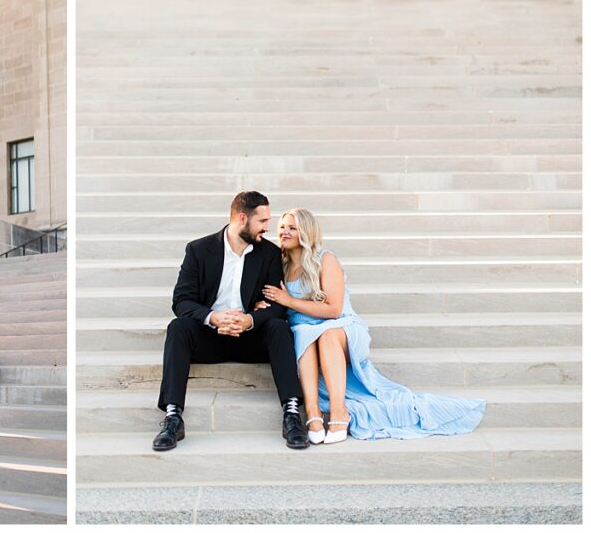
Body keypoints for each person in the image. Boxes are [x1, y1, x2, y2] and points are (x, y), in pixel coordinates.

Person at [259, 208, 486, 443]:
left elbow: (333, 310)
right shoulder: (280, 264)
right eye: (282, 227)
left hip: (340, 328)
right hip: (306, 332)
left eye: (292, 228)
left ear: (306, 232)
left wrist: (290, 301)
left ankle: (339, 412)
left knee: (326, 334)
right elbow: (271, 299)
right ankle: (313, 414)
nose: (284, 232)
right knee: (303, 335)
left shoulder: (325, 259)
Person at [153, 191, 309, 451]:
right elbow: (181, 301)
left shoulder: (269, 253)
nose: (267, 228)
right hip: (210, 336)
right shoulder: (199, 250)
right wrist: (213, 317)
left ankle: (292, 414)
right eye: (262, 221)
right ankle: (172, 417)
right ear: (241, 218)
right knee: (178, 327)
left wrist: (250, 319)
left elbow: (277, 306)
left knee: (279, 327)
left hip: (250, 336)